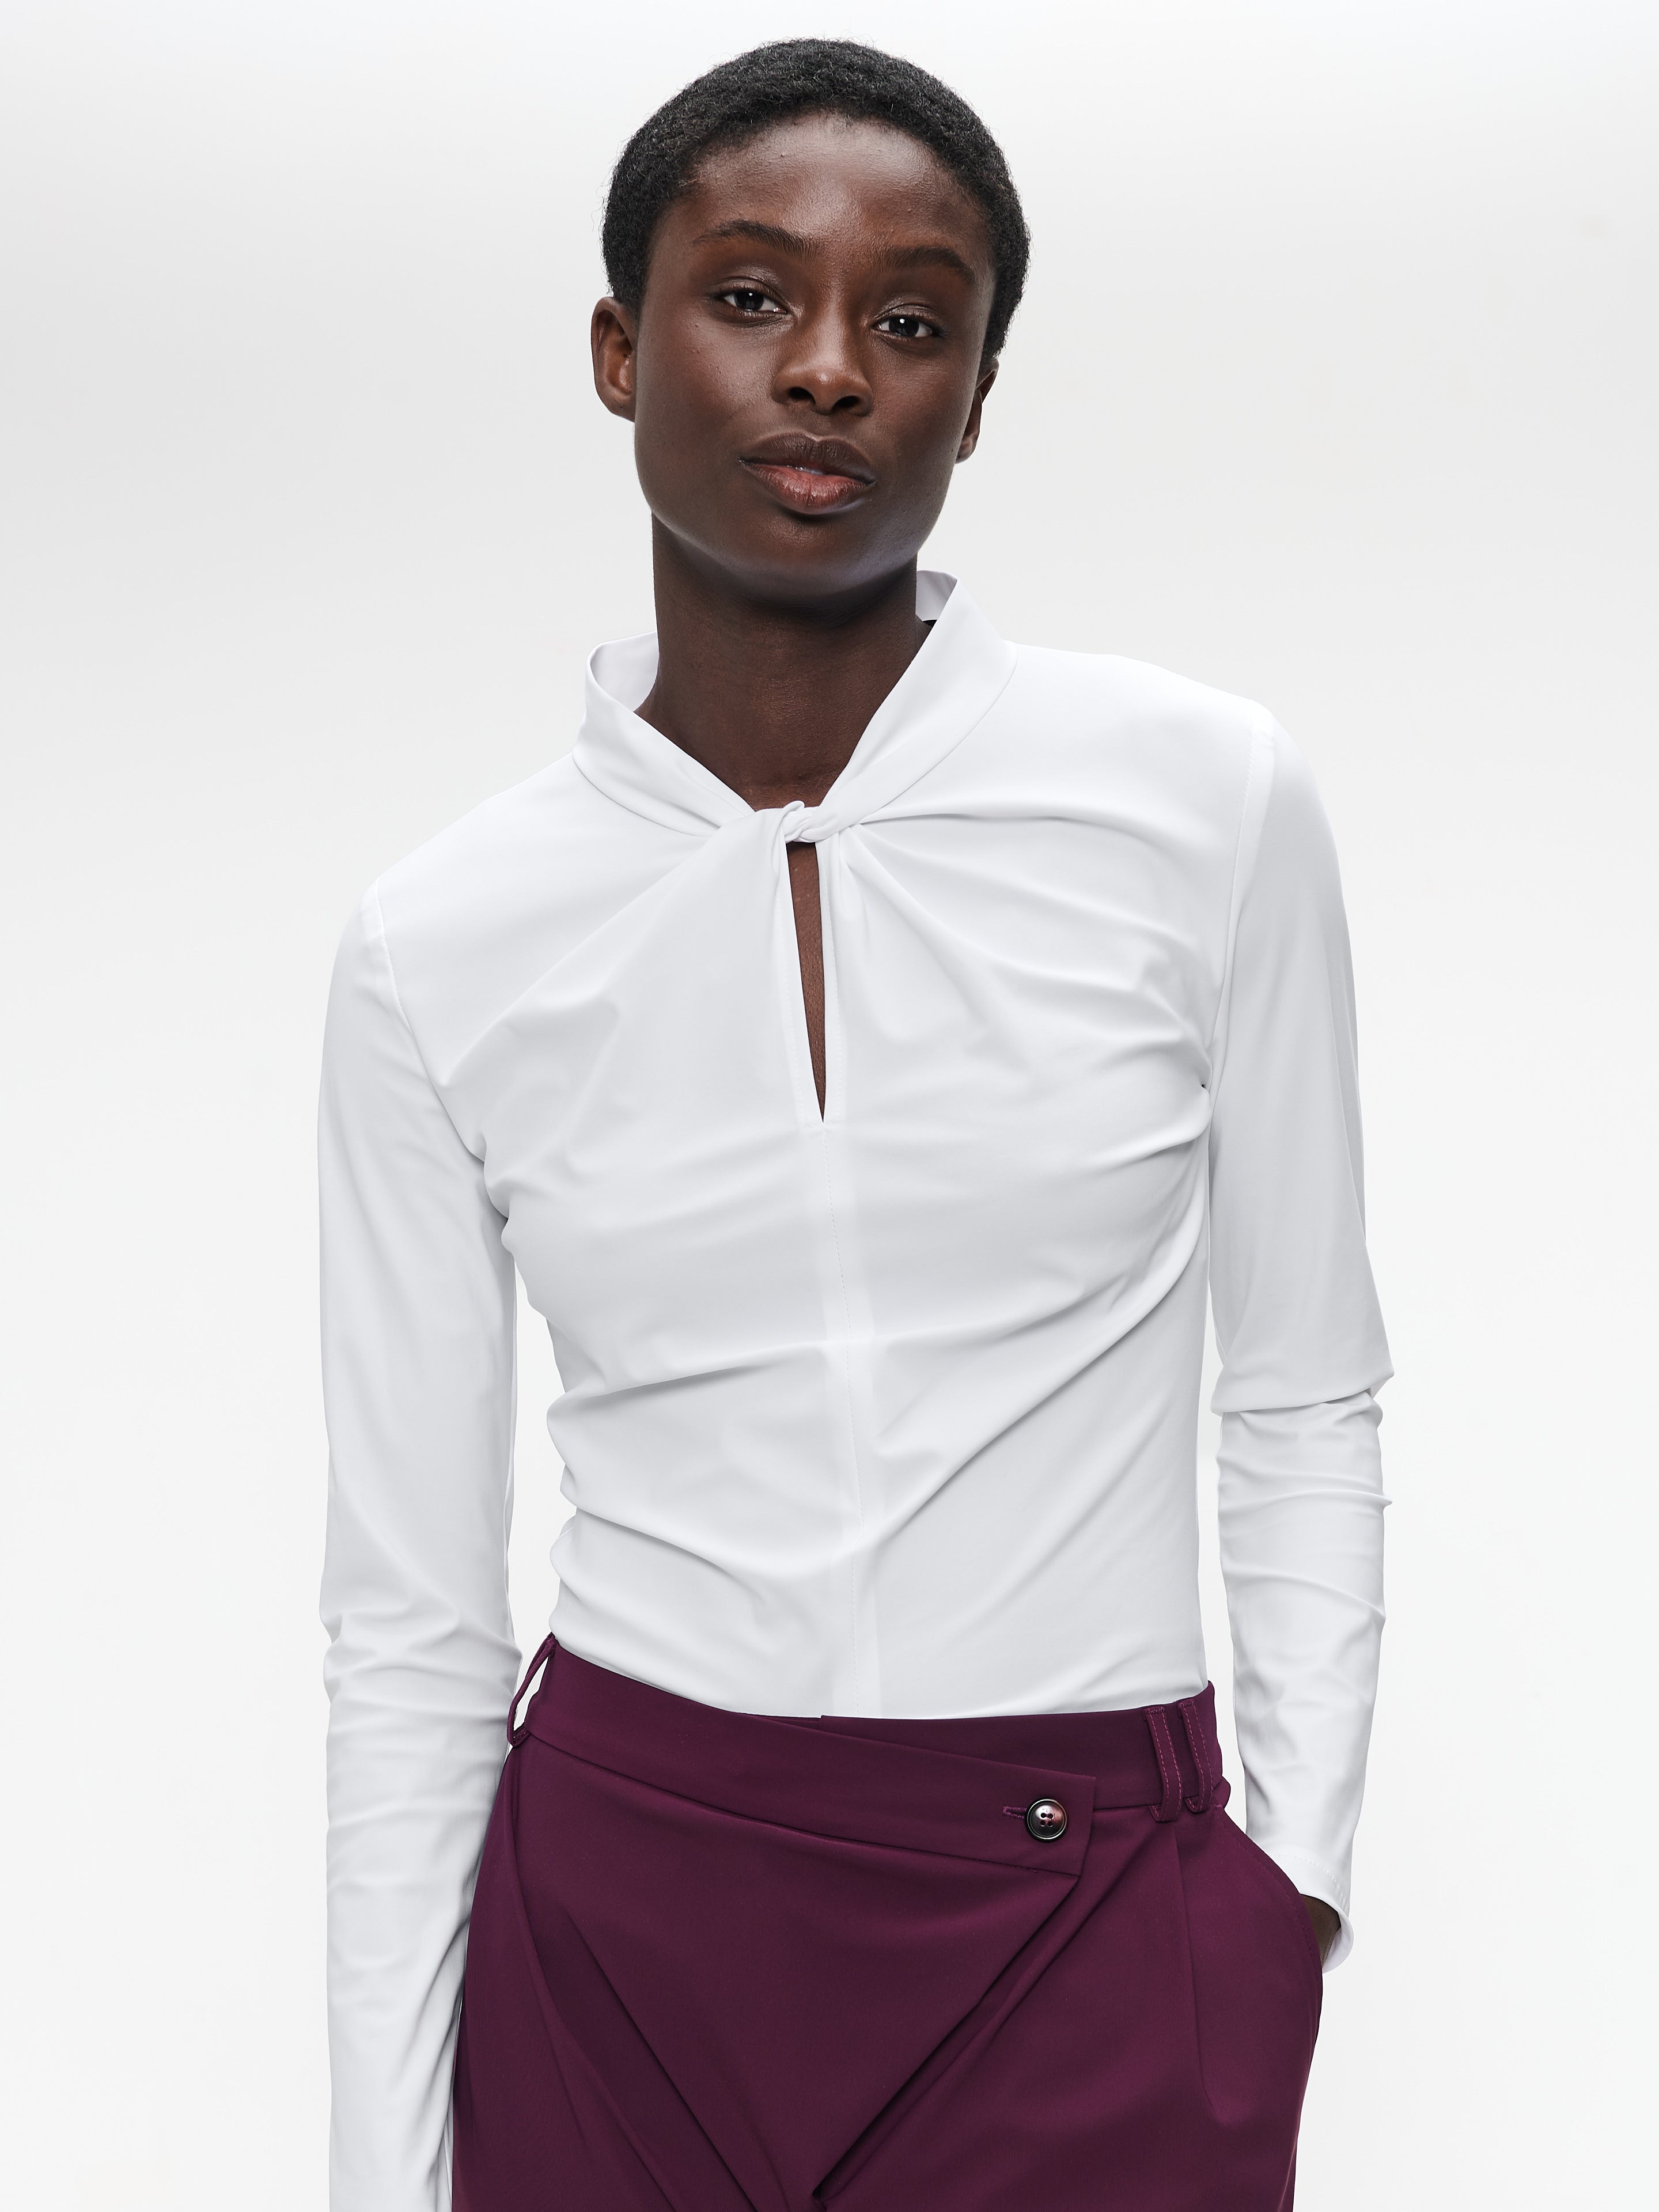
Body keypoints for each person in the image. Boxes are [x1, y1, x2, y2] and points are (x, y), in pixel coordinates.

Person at [319, 37, 1390, 2212]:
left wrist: (1286, 1897)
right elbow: (409, 1617)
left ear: (973, 401)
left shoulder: (1202, 804)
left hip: (1093, 1901)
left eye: (911, 321)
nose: (828, 368)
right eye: (749, 296)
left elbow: (1305, 1386)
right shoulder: (443, 939)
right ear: (620, 352)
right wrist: (381, 2165)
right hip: (614, 1928)